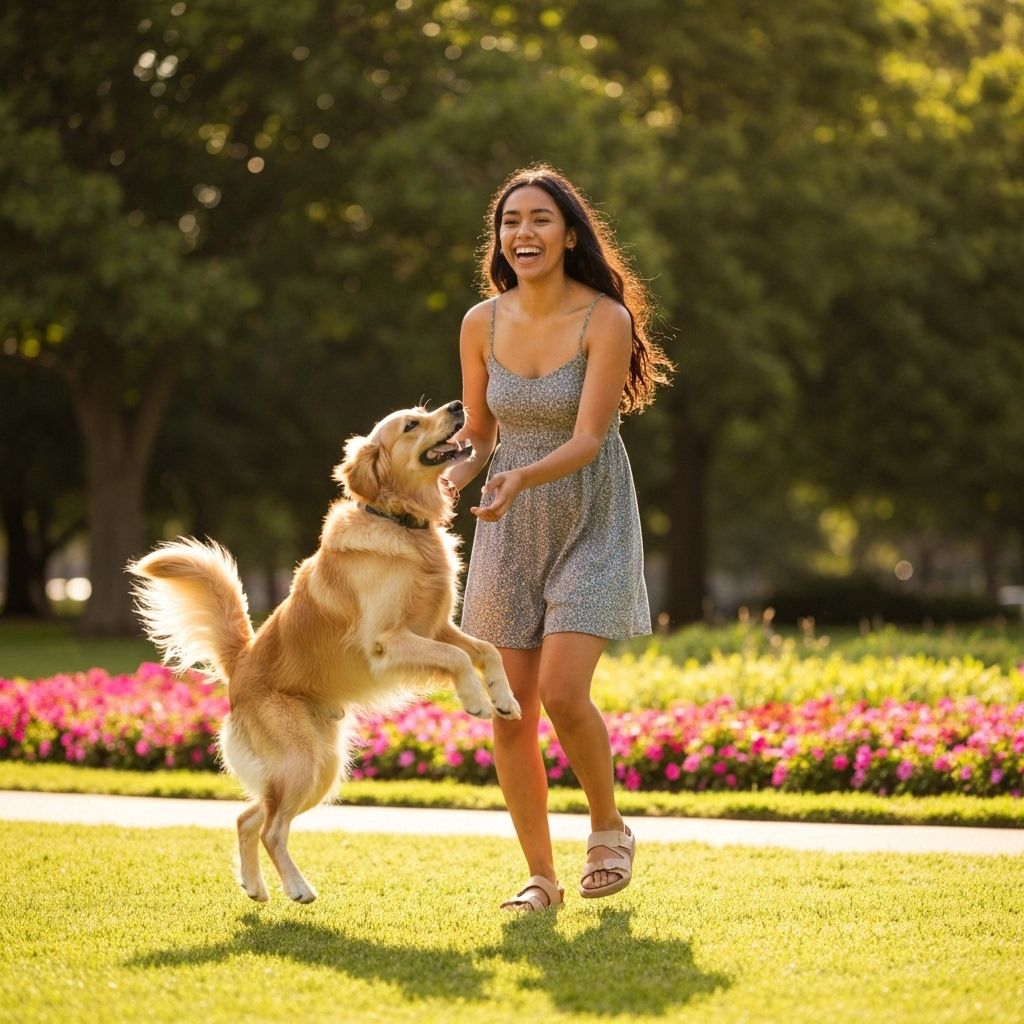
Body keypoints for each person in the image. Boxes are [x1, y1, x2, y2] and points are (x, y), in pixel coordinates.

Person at [444, 164, 672, 912]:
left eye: (539, 219)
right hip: (510, 527)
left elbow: (588, 437)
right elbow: (479, 437)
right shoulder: (481, 322)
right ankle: (540, 878)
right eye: (511, 222)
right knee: (512, 712)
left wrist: (516, 477)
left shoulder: (603, 319)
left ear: (569, 233)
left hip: (590, 515)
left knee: (564, 690)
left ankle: (608, 829)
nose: (523, 234)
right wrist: (451, 478)